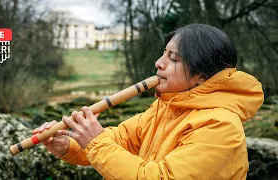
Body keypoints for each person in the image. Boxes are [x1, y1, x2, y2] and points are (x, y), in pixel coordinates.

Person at [33, 23, 264, 179]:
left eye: (172, 58)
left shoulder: (220, 126)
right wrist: (71, 145)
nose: (158, 63)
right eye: (164, 53)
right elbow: (120, 141)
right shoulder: (166, 107)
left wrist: (95, 141)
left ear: (201, 75)